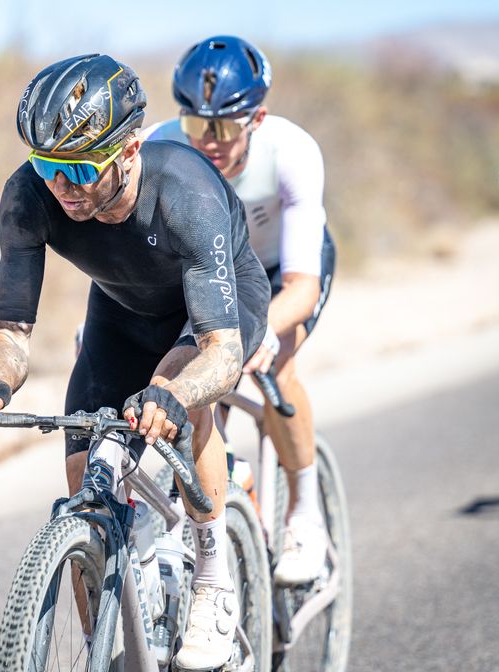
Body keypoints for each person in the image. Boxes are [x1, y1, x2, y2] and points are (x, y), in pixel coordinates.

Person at [0, 53, 271, 670]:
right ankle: (108, 643)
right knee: (83, 471)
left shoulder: (186, 191)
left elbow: (222, 352)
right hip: (120, 317)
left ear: (127, 150)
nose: (61, 187)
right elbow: (12, 329)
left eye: (79, 167)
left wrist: (175, 396)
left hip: (213, 316)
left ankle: (212, 573)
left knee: (176, 395)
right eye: (47, 165)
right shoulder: (29, 194)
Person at [144, 35, 337, 586]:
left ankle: (305, 511)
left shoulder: (291, 151)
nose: (210, 141)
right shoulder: (162, 144)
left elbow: (301, 289)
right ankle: (227, 487)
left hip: (282, 273)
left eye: (226, 127)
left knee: (276, 366)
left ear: (258, 118)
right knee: (201, 379)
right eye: (196, 125)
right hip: (213, 273)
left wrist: (263, 332)